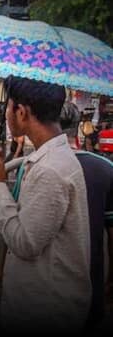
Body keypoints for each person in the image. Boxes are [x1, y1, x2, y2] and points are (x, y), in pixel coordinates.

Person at [0, 75, 91, 332]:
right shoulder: (50, 159)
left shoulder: (50, 170)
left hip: (45, 310)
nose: (7, 114)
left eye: (8, 106)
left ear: (22, 112)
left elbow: (26, 243)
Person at [58, 102, 113, 330]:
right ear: (80, 126)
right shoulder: (105, 168)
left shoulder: (31, 167)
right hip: (91, 284)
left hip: (43, 290)